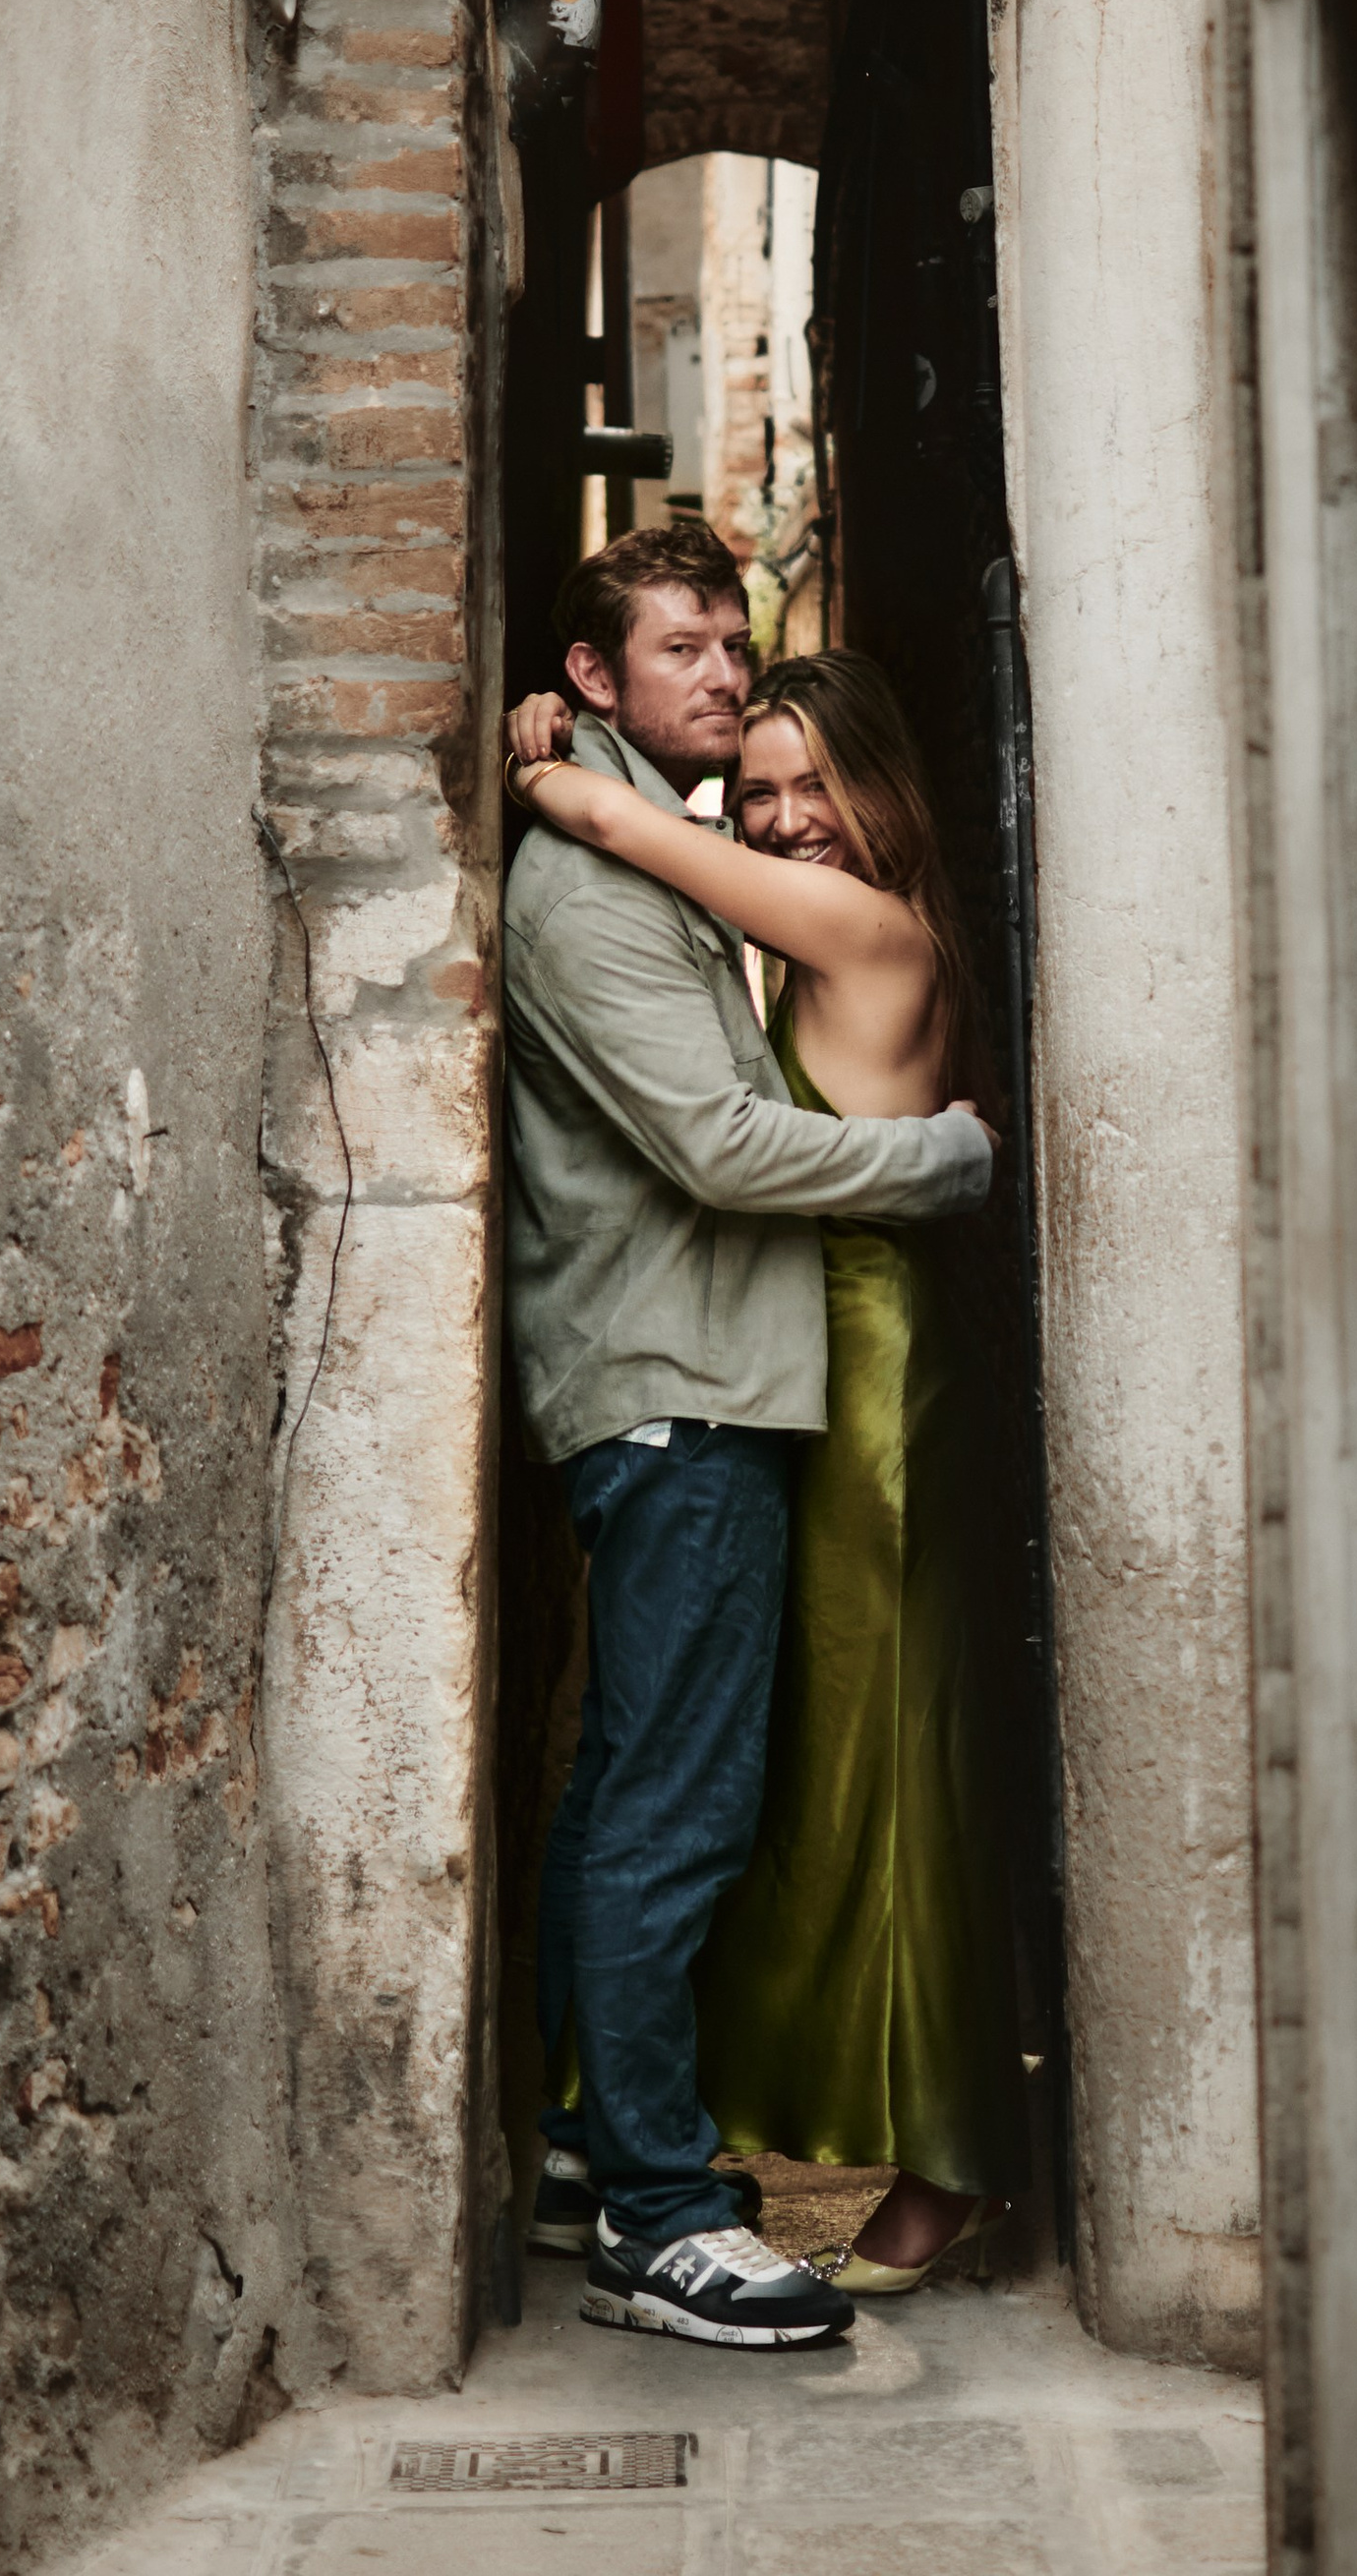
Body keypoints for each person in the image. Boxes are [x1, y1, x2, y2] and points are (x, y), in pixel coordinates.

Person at [502, 517, 996, 2351]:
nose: (722, 676)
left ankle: (605, 2151)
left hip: (793, 1379)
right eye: (686, 651)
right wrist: (945, 1163)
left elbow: (659, 839)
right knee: (678, 1806)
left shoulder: (695, 870)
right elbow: (718, 1146)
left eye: (738, 646)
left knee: (677, 1792)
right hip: (695, 1382)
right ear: (596, 675)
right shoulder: (606, 884)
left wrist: (562, 767)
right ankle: (656, 2214)